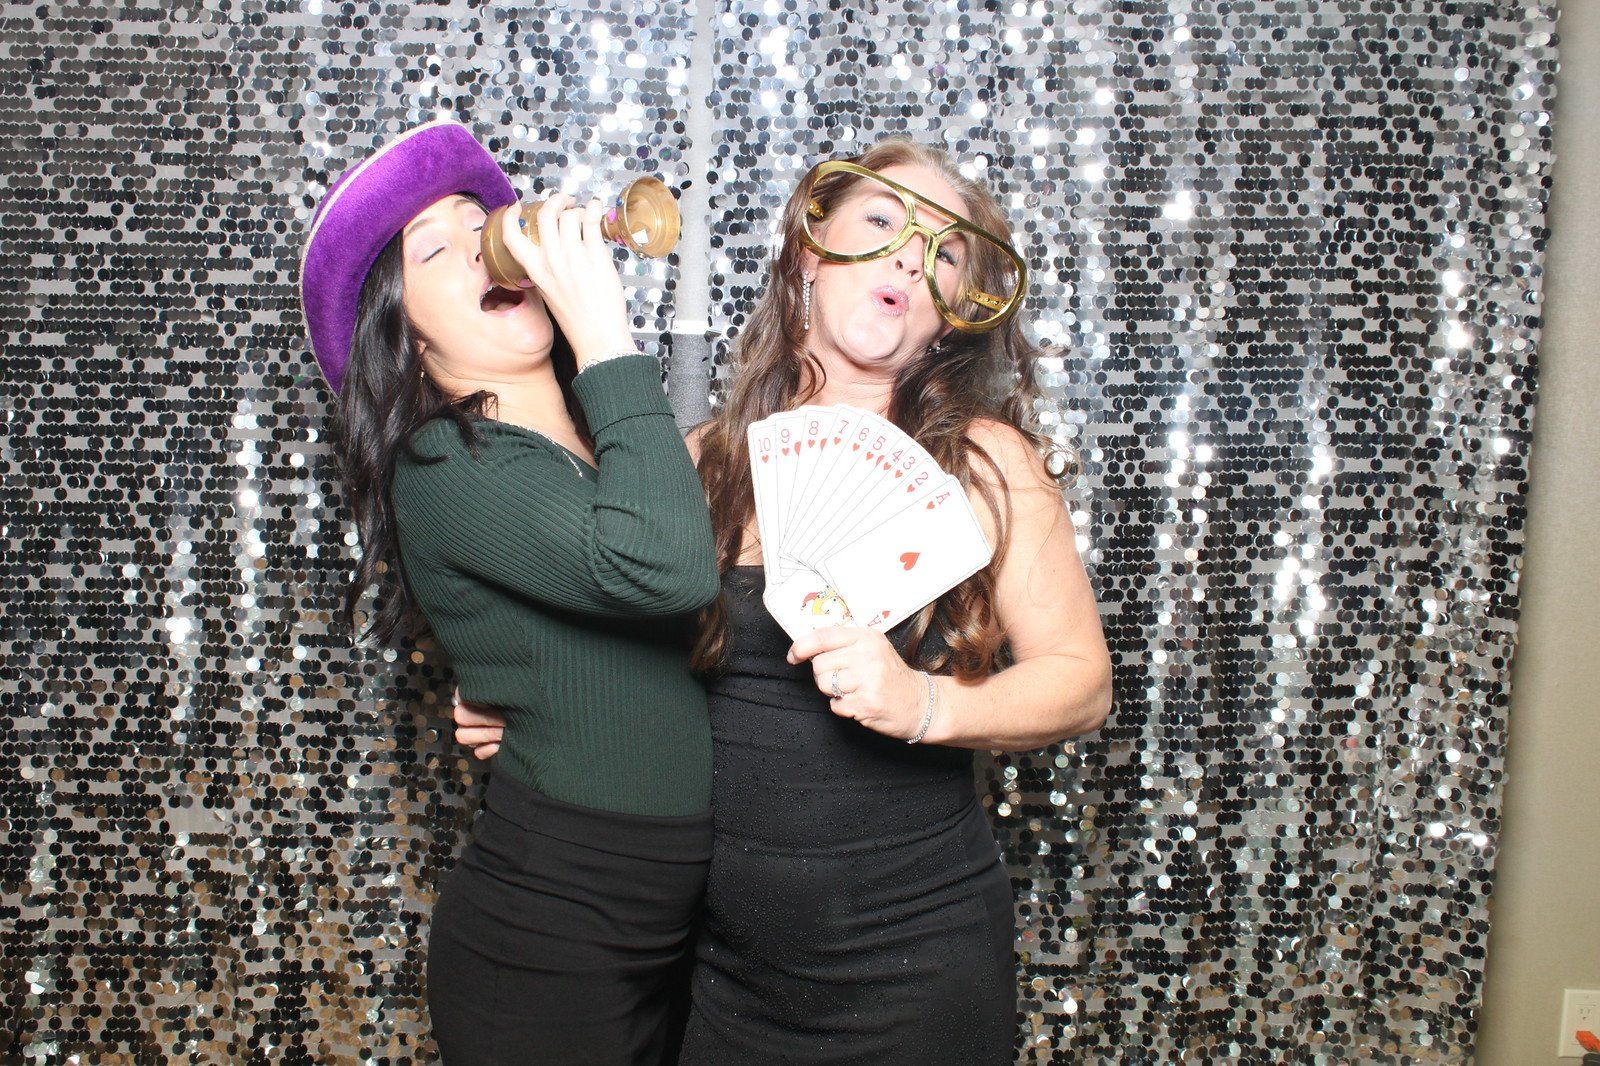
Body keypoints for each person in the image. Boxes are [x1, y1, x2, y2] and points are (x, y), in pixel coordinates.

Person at [452, 137, 1113, 1063]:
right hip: (720, 972)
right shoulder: (692, 463)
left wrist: (923, 704)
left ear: (954, 315)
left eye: (945, 254)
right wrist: (535, 698)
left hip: (914, 965)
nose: (910, 259)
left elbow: (1082, 684)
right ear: (809, 251)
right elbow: (639, 682)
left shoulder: (984, 464)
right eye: (883, 222)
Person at [298, 118, 721, 1064]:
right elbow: (668, 571)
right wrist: (605, 332)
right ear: (403, 341)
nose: (490, 239)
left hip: (677, 925)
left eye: (478, 219)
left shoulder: (603, 443)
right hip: (550, 939)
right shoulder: (444, 459)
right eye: (436, 248)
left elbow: (688, 625)